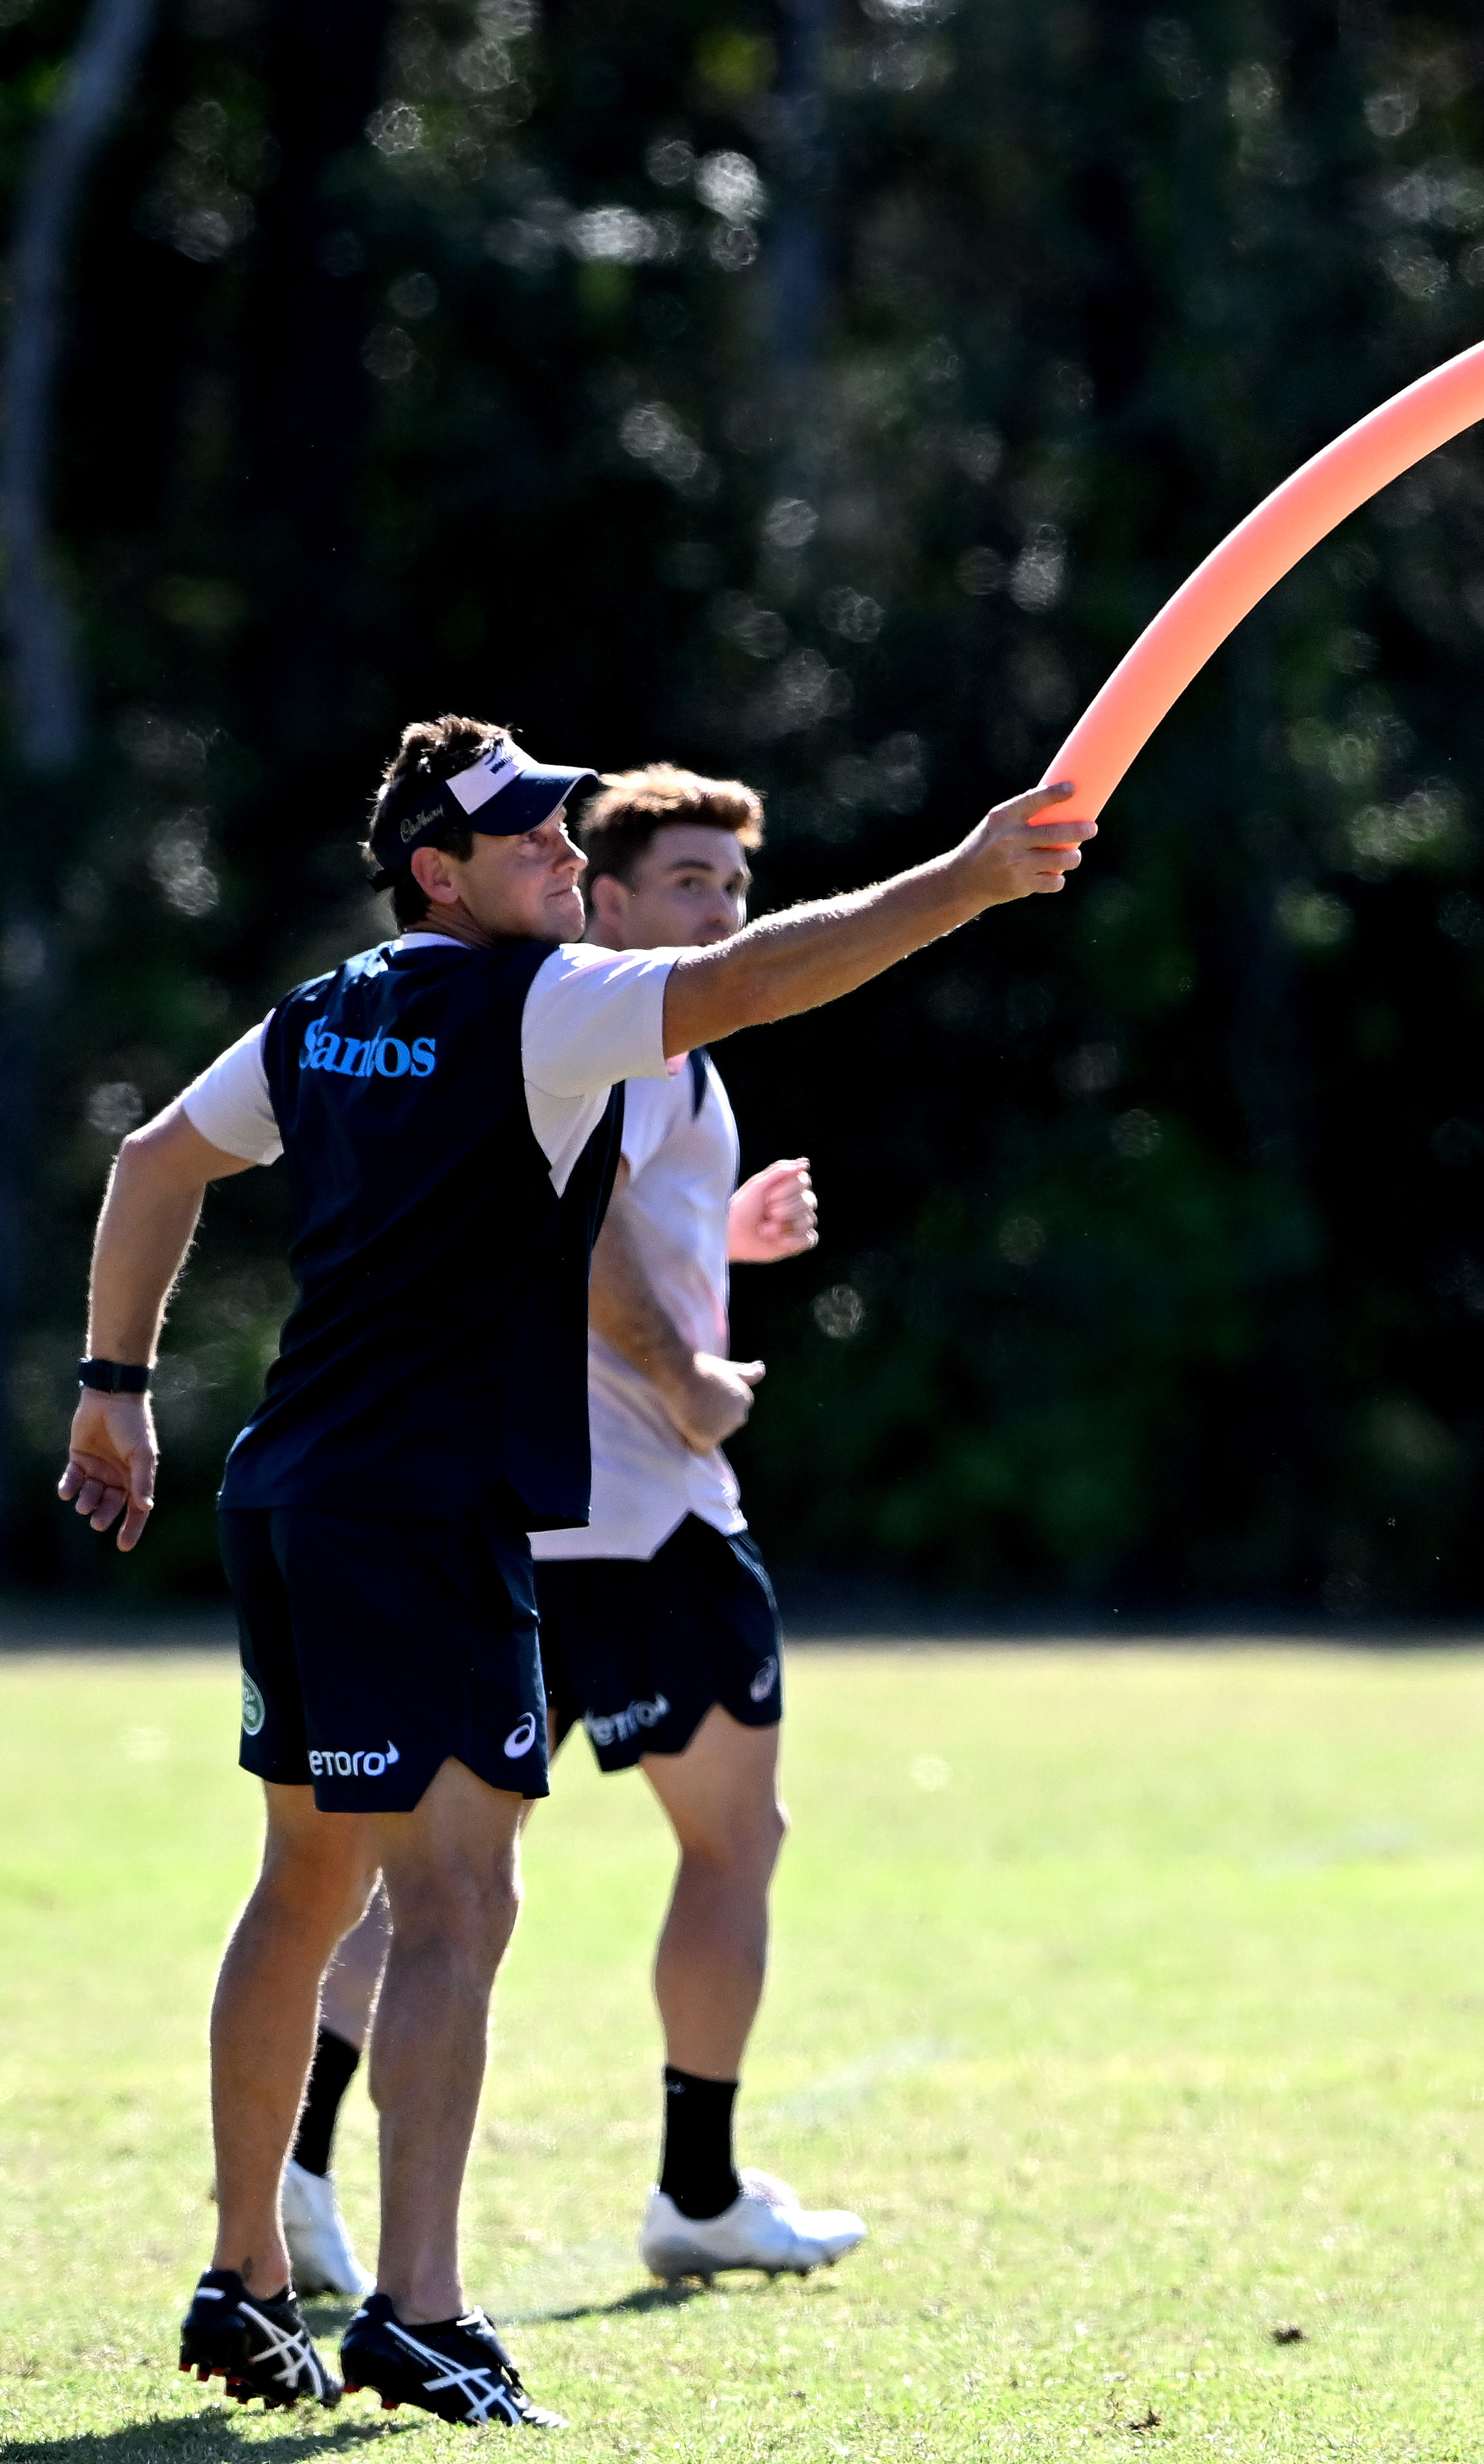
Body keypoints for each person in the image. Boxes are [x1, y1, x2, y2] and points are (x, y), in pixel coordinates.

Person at [62, 716, 1086, 2422]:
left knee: (306, 1891)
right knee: (458, 1902)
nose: (560, 849)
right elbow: (762, 975)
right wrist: (971, 879)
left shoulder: (325, 1013)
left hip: (290, 1489)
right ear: (435, 872)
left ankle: (246, 2277)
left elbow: (152, 1160)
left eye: (563, 827)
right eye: (523, 837)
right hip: (430, 1508)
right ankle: (421, 2311)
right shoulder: (540, 1000)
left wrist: (111, 1389)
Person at [274, 766, 863, 2312]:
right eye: (686, 883)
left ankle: (300, 2171)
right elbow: (590, 1241)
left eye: (733, 886)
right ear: (599, 897)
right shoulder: (614, 1016)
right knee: (733, 1840)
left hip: (521, 1505)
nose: (721, 913)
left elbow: (568, 1213)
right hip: (647, 1508)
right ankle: (698, 2185)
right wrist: (691, 1380)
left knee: (428, 1879)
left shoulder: (589, 1031)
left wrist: (719, 1241)